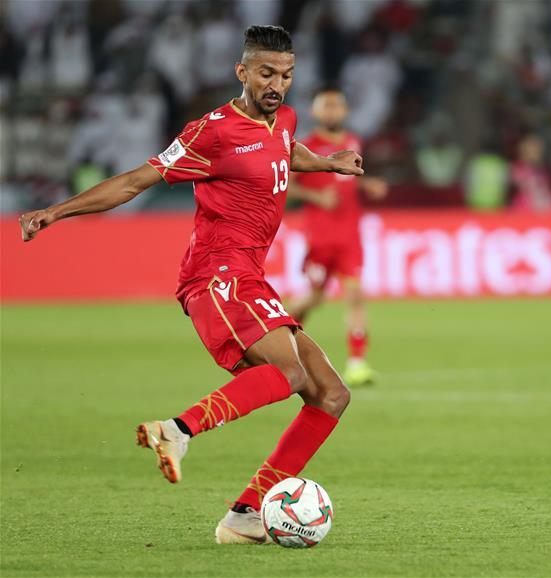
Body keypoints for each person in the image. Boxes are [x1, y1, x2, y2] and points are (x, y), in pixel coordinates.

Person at [19, 25, 364, 545]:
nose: (277, 85)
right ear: (241, 72)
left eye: (287, 76)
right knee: (289, 373)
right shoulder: (213, 132)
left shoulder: (285, 120)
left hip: (251, 275)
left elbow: (285, 152)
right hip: (216, 276)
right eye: (266, 73)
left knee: (332, 394)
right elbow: (137, 180)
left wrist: (328, 163)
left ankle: (245, 515)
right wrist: (56, 212)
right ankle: (176, 430)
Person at [286, 87, 387, 387]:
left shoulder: (353, 142)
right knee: (313, 298)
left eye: (337, 106)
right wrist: (316, 197)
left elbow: (345, 178)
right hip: (320, 238)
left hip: (349, 237)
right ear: (316, 112)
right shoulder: (305, 147)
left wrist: (367, 185)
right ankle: (275, 338)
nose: (332, 112)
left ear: (344, 111)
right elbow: (285, 186)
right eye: (326, 107)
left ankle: (357, 364)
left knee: (356, 296)